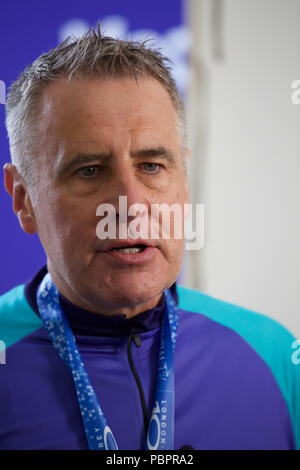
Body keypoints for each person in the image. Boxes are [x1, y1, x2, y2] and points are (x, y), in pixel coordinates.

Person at [0, 24, 299, 451]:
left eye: (152, 166)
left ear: (185, 179)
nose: (131, 204)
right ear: (23, 200)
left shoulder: (274, 354)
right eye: (89, 170)